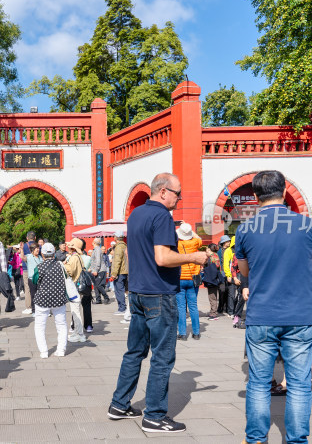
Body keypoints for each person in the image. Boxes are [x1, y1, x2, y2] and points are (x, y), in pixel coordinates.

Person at [233, 170, 312, 444]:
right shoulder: (308, 225)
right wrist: (302, 283)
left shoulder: (245, 228)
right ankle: (297, 440)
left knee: (258, 384)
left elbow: (245, 271)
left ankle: (256, 439)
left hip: (262, 315)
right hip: (301, 315)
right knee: (299, 385)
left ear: (255, 196)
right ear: (285, 191)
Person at [108, 173, 207, 434]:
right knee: (162, 357)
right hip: (159, 293)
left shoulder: (136, 215)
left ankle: (119, 404)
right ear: (163, 191)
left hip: (138, 292)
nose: (179, 198)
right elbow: (162, 258)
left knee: (134, 352)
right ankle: (154, 416)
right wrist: (194, 256)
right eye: (177, 193)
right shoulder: (162, 216)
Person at [32, 243, 67, 358]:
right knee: (61, 325)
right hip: (59, 299)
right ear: (54, 252)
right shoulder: (61, 265)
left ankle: (44, 352)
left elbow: (34, 281)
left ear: (42, 253)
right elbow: (66, 278)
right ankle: (61, 350)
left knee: (40, 326)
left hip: (43, 300)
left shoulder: (39, 267)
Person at [176, 222, 203, 340]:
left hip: (180, 278)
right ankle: (196, 333)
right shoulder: (195, 242)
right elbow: (199, 238)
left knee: (181, 308)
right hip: (193, 278)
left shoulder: (177, 243)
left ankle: (182, 334)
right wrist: (191, 232)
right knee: (193, 306)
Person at [64, 238, 91, 337]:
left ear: (72, 248)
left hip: (74, 285)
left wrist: (63, 266)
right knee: (76, 310)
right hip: (77, 285)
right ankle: (77, 332)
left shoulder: (74, 257)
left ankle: (79, 334)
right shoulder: (78, 256)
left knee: (75, 311)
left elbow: (70, 271)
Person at [201, 243, 222, 320]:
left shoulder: (211, 257)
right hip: (215, 279)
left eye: (206, 251)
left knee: (212, 297)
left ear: (209, 250)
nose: (206, 252)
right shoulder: (216, 256)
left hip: (212, 279)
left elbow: (212, 268)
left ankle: (213, 313)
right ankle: (213, 311)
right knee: (213, 296)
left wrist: (204, 268)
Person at [111, 231, 129, 315]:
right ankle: (123, 307)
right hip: (125, 270)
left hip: (120, 272)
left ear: (116, 237)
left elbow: (117, 261)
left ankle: (122, 308)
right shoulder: (125, 246)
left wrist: (114, 273)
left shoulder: (118, 247)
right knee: (122, 289)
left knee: (119, 290)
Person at [23, 244, 43, 315]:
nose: (37, 250)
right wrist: (21, 249)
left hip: (40, 279)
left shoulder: (40, 257)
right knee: (33, 295)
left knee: (41, 295)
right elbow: (22, 257)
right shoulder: (29, 256)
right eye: (36, 248)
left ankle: (42, 310)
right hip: (32, 279)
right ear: (32, 250)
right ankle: (34, 311)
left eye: (38, 248)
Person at [90, 237, 111, 305]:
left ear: (94, 242)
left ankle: (106, 297)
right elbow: (94, 261)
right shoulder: (96, 249)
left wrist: (96, 270)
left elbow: (98, 261)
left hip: (100, 270)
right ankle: (98, 299)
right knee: (96, 285)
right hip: (98, 270)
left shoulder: (97, 249)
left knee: (98, 285)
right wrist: (91, 268)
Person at [216, 235, 231, 316]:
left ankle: (227, 307)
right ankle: (220, 307)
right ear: (224, 242)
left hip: (229, 273)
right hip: (221, 273)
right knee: (222, 290)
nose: (229, 242)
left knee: (228, 291)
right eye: (228, 241)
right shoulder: (219, 251)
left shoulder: (230, 250)